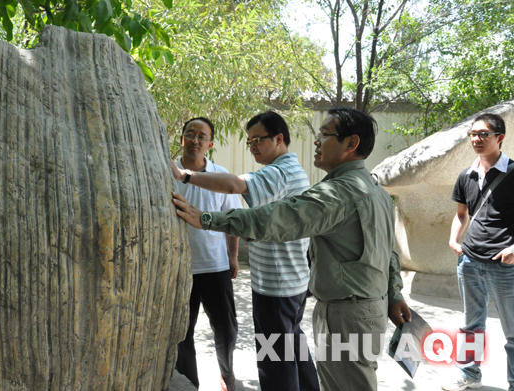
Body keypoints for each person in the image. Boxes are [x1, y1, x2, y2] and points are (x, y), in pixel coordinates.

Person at [172, 107, 411, 391]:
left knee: (278, 365)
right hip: (349, 304)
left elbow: (273, 220)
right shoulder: (374, 188)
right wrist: (394, 294)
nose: (317, 141)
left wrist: (206, 218)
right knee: (303, 357)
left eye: (325, 134)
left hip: (308, 299)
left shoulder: (333, 192)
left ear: (351, 143)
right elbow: (388, 249)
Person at [170, 111, 320, 391]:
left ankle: (232, 378)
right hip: (291, 283)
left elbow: (235, 186)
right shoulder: (290, 170)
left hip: (276, 288)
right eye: (249, 140)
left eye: (257, 140)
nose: (252, 145)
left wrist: (186, 177)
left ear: (278, 139)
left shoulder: (279, 173)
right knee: (294, 350)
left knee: (275, 363)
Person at [173, 117, 243, 391]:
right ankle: (189, 383)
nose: (195, 140)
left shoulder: (219, 175)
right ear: (182, 139)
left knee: (226, 330)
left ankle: (228, 375)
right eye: (190, 134)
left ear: (210, 144)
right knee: (182, 333)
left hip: (215, 266)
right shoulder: (167, 172)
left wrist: (233, 256)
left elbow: (232, 218)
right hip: (180, 270)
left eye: (202, 136)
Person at [445, 113, 514, 391]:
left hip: (504, 264)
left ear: (500, 138)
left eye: (483, 134)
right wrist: (454, 239)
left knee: (512, 332)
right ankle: (468, 375)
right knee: (471, 325)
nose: (476, 139)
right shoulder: (466, 175)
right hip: (470, 261)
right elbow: (462, 214)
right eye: (473, 134)